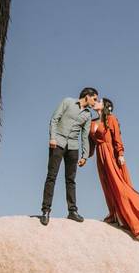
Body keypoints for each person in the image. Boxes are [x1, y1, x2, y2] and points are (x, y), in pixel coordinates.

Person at [89, 97, 139, 241]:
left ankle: (133, 221)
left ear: (105, 105)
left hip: (111, 156)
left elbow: (117, 138)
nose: (95, 103)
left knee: (119, 186)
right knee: (107, 186)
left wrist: (120, 154)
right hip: (100, 157)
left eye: (99, 101)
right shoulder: (92, 122)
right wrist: (85, 156)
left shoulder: (111, 119)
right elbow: (90, 143)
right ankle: (114, 214)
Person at [39, 87, 99, 225]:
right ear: (87, 96)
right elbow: (54, 119)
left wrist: (84, 155)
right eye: (94, 99)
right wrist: (52, 137)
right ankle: (46, 210)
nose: (95, 102)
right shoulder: (68, 102)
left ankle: (72, 211)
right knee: (51, 177)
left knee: (71, 180)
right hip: (58, 143)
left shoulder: (88, 115)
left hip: (73, 147)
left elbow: (85, 136)